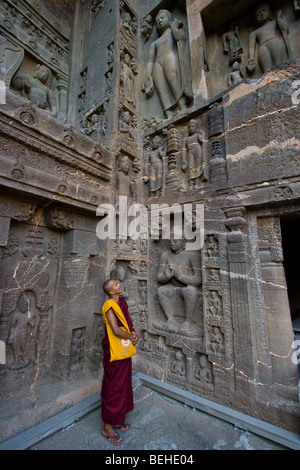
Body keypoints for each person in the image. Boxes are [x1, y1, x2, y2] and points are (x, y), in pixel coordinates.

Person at [101, 279, 138, 445]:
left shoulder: (122, 303)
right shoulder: (109, 305)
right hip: (114, 350)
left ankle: (118, 418)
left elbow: (127, 322)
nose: (119, 285)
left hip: (123, 348)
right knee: (114, 386)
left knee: (123, 383)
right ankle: (107, 426)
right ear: (111, 292)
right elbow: (116, 330)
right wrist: (130, 337)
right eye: (115, 285)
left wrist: (133, 332)